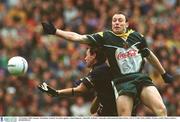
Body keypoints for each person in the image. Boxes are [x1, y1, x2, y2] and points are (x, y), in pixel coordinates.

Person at [41, 11, 173, 116]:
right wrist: (55, 31)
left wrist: (164, 73)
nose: (116, 22)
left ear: (127, 24)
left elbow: (149, 55)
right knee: (125, 118)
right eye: (114, 20)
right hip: (122, 83)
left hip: (141, 79)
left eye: (120, 20)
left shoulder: (138, 37)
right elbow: (78, 37)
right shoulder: (105, 37)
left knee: (161, 110)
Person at [38, 47, 118, 116]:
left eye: (87, 55)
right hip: (106, 111)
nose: (85, 58)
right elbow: (78, 87)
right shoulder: (98, 69)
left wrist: (57, 93)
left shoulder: (100, 70)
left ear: (93, 56)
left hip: (112, 112)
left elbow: (80, 90)